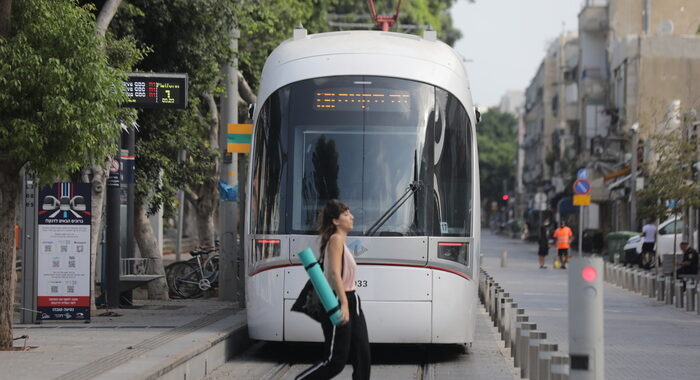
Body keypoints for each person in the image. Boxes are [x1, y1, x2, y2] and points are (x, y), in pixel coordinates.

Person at [296, 200, 371, 380]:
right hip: (339, 300)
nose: (351, 217)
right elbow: (334, 274)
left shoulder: (344, 243)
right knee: (335, 361)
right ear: (335, 221)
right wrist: (344, 304)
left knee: (362, 356)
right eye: (346, 214)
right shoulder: (335, 240)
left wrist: (350, 303)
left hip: (353, 300)